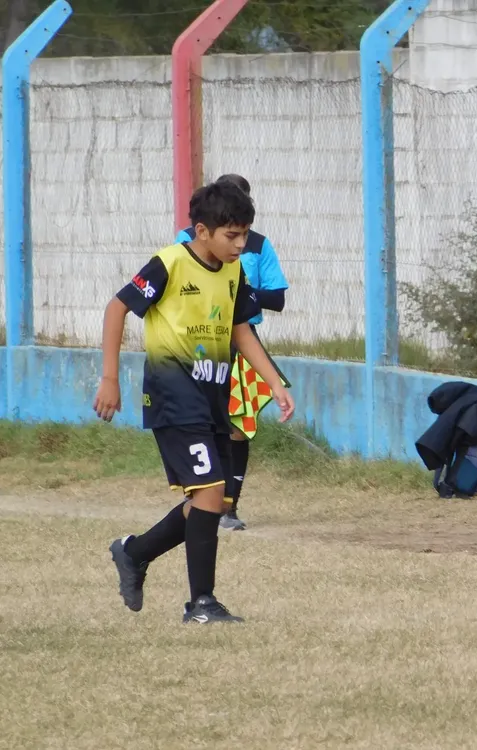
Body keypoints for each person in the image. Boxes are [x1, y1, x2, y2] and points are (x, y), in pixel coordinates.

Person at [96, 180, 294, 623]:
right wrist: (110, 378)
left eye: (245, 234)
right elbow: (116, 308)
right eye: (232, 235)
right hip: (172, 396)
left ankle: (135, 551)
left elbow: (242, 329)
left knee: (209, 499)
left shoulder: (233, 271)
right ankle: (201, 604)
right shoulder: (170, 263)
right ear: (201, 230)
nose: (241, 245)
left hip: (212, 399)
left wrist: (274, 382)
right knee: (208, 493)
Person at [175, 173, 289, 532]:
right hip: (200, 342)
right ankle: (199, 496)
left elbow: (277, 298)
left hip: (242, 339)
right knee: (205, 420)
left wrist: (243, 294)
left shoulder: (258, 245)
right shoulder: (187, 242)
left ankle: (229, 506)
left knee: (239, 424)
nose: (237, 240)